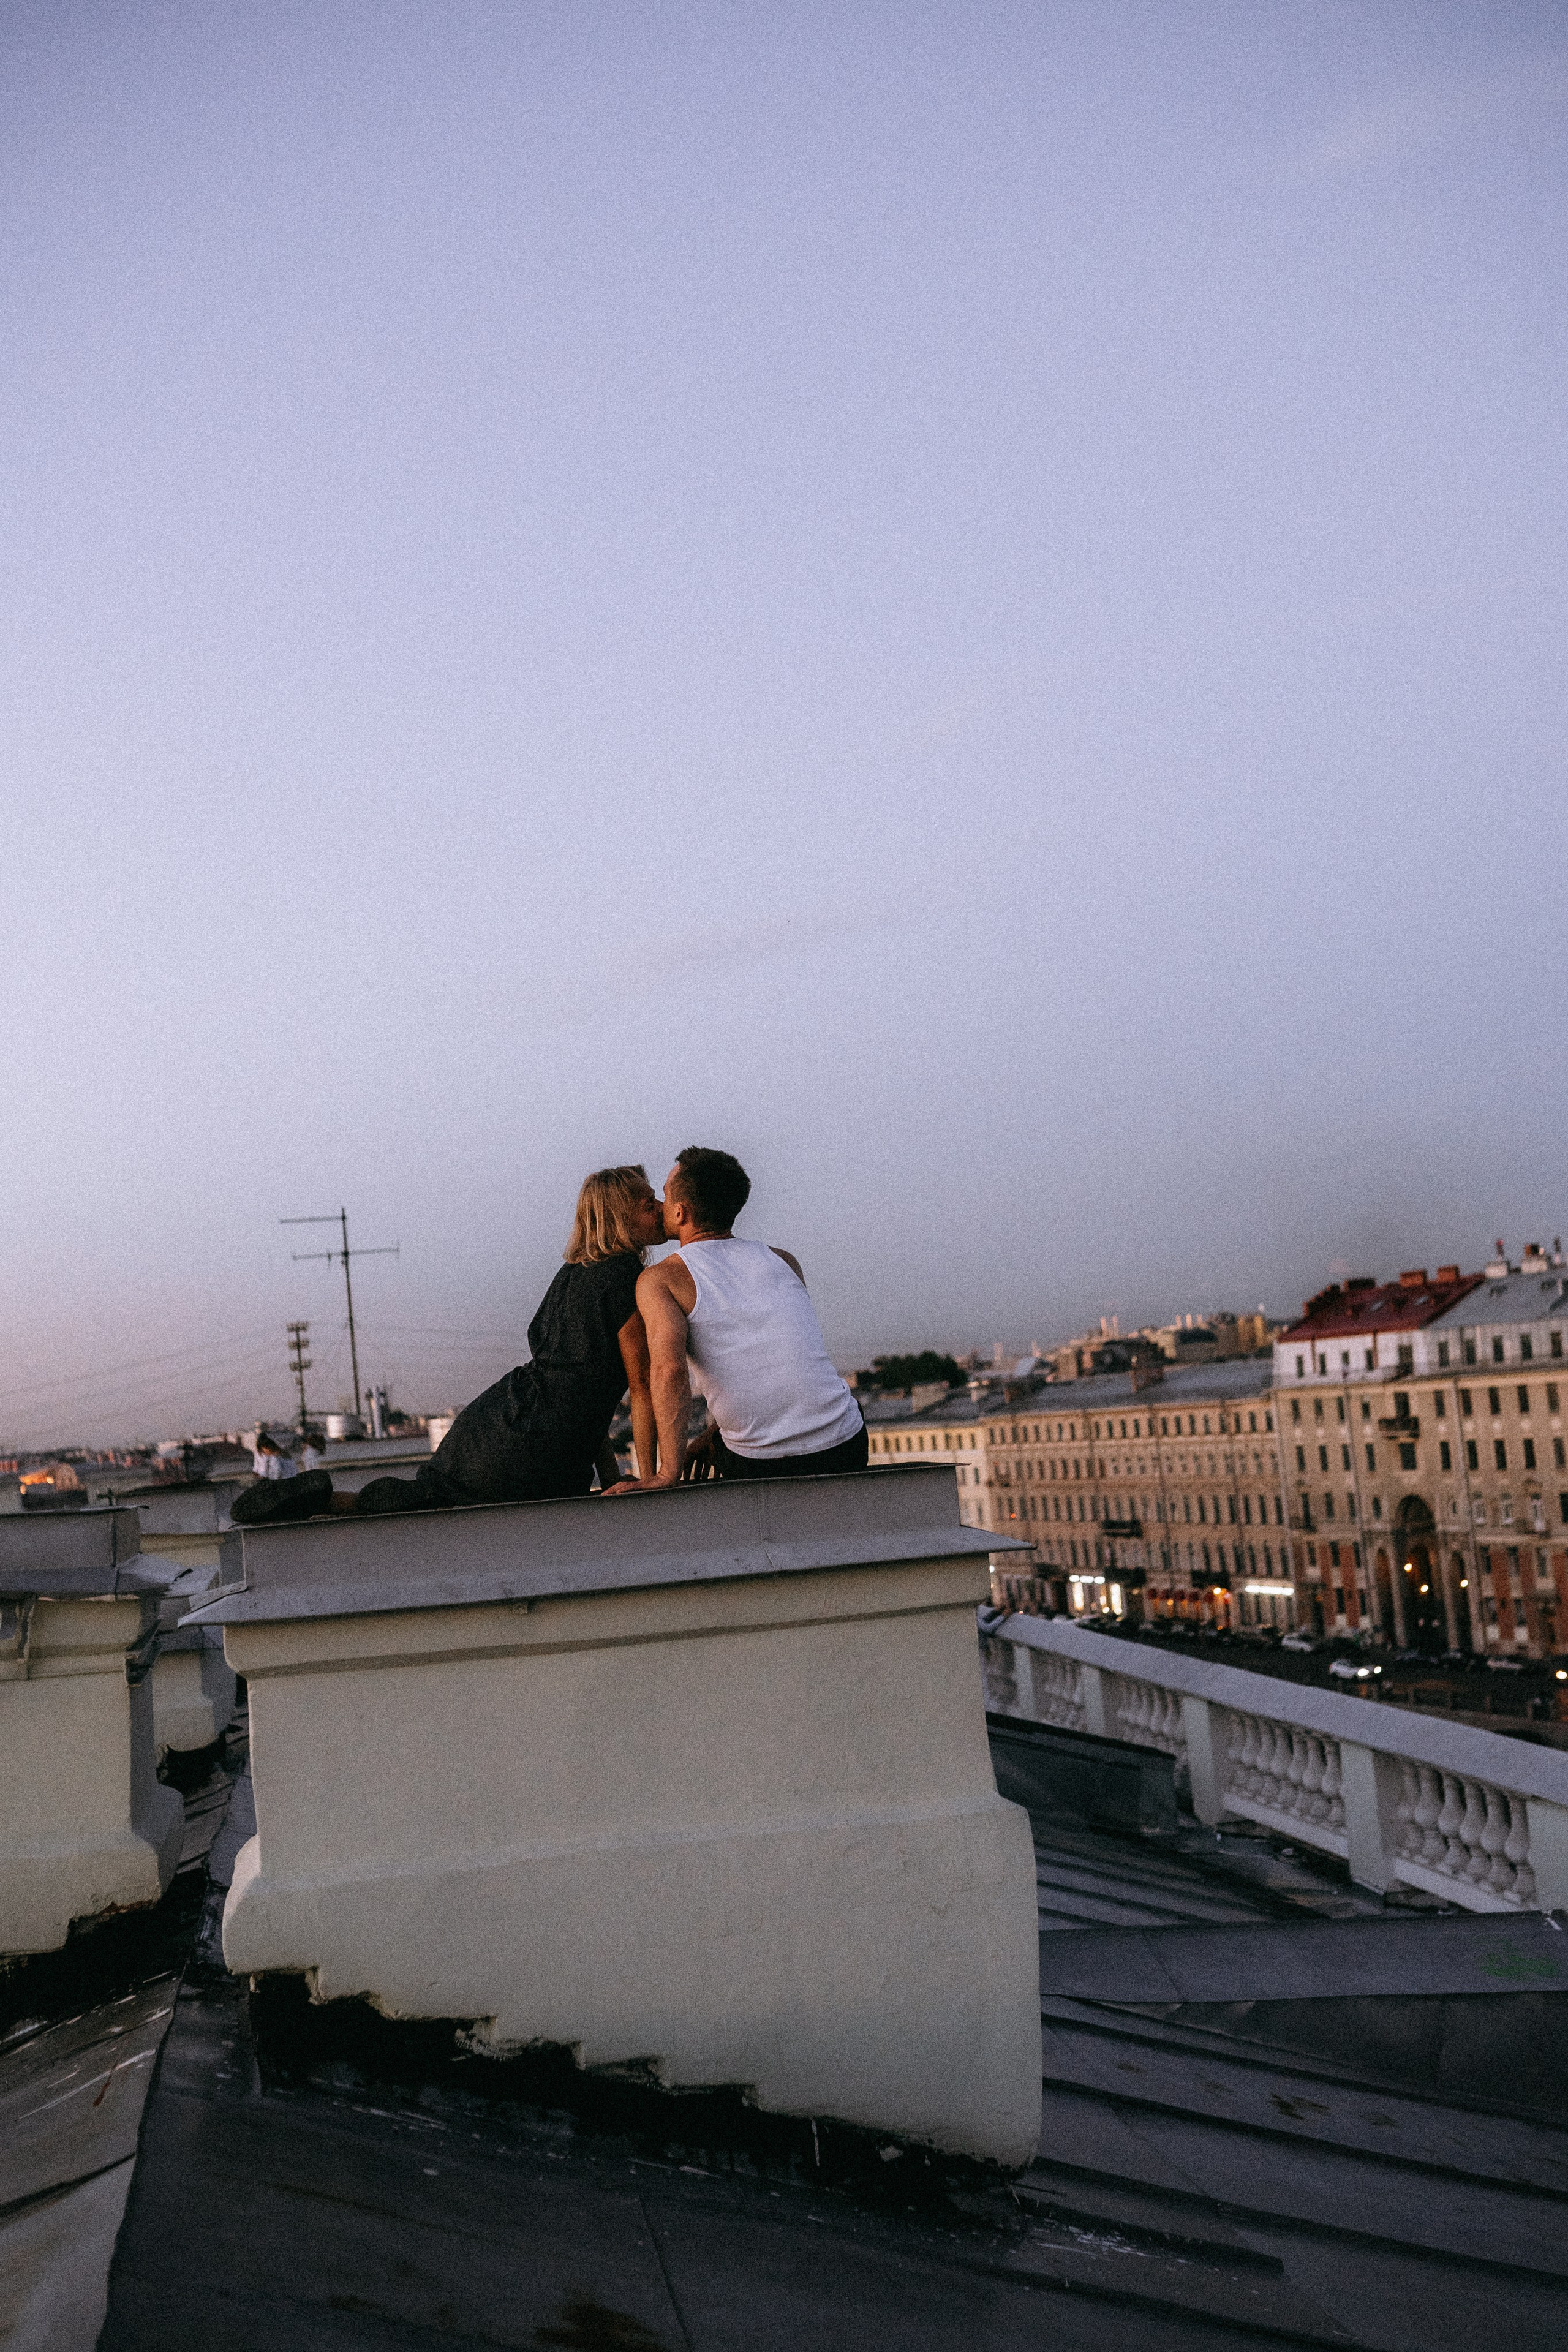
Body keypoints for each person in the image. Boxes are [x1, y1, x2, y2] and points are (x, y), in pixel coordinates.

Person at [232, 1166, 664, 1526]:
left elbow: (583, 1404)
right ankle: (321, 1501)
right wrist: (650, 1482)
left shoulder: (571, 1275)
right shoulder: (625, 1278)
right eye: (649, 1204)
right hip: (537, 1445)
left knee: (430, 1497)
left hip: (498, 1422)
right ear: (619, 1218)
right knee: (448, 1510)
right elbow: (641, 1390)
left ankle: (323, 1500)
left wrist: (612, 1482)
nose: (661, 1210)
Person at [606, 1145, 865, 1491]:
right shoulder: (784, 1261)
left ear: (681, 1213)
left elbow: (669, 1372)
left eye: (665, 1197)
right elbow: (776, 1366)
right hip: (847, 1443)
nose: (660, 1205)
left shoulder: (661, 1280)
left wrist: (667, 1473)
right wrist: (713, 1435)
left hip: (763, 1464)